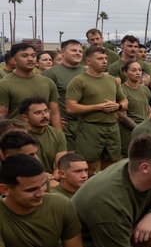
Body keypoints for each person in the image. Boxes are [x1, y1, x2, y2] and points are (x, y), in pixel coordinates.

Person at [66, 45, 128, 175]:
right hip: (90, 128)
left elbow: (125, 102)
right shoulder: (79, 81)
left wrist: (118, 106)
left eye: (105, 58)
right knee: (88, 167)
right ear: (89, 61)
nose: (104, 61)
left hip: (112, 127)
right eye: (100, 58)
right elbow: (71, 107)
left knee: (112, 166)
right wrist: (98, 107)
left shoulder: (112, 80)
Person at [0, 43, 62, 127]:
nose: (30, 59)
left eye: (33, 56)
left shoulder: (48, 82)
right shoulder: (4, 84)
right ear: (14, 60)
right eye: (24, 56)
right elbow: (2, 118)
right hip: (18, 133)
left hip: (44, 133)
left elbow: (55, 114)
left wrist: (58, 133)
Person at [42, 39, 85, 149]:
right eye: (73, 50)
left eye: (80, 51)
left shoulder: (87, 72)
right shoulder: (50, 74)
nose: (78, 53)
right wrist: (51, 118)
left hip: (87, 124)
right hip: (65, 125)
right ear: (62, 53)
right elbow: (40, 100)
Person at [18, 97, 67, 174]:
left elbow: (61, 165)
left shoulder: (57, 134)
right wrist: (44, 177)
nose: (44, 115)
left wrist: (53, 178)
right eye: (38, 113)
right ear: (25, 117)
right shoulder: (19, 136)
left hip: (53, 177)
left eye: (46, 111)